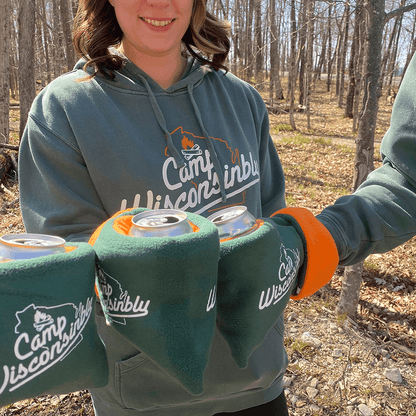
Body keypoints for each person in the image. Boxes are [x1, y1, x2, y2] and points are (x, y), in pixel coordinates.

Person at [17, 0, 416, 415]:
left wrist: (295, 250)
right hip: (144, 395)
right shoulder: (65, 109)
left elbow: (270, 231)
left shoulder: (240, 100)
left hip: (256, 380)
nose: (160, 3)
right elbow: (65, 262)